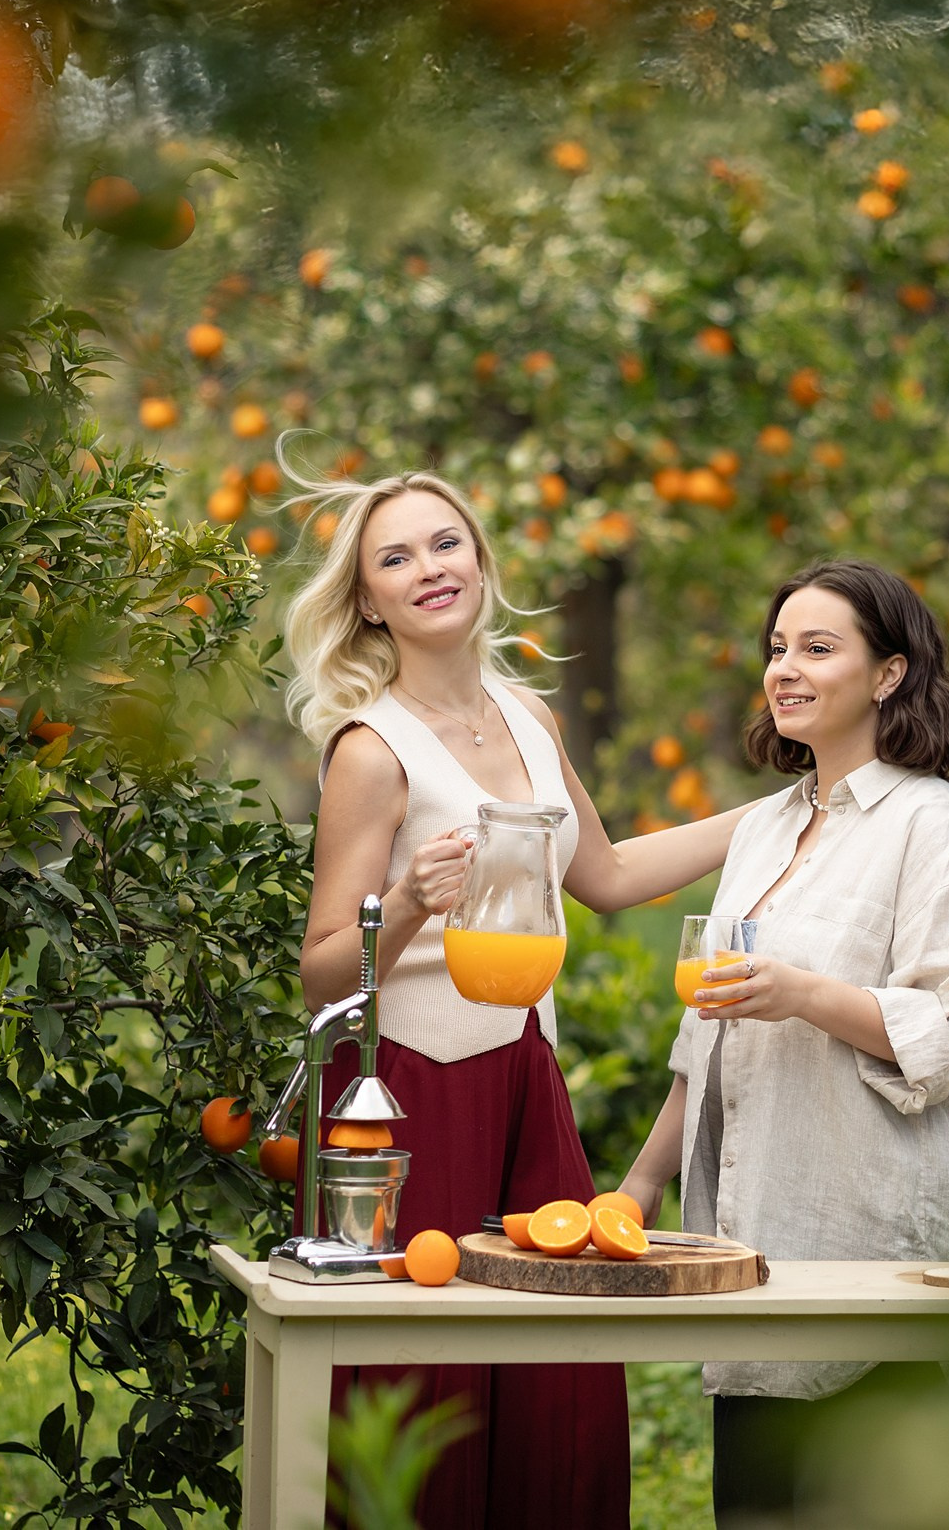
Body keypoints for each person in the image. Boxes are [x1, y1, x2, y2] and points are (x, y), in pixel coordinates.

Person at [287, 468, 756, 1530]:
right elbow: (321, 970)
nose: (427, 569)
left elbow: (609, 876)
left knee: (560, 1374)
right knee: (429, 1381)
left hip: (524, 1073)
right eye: (394, 558)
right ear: (368, 599)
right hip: (410, 1091)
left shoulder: (530, 715)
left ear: (481, 561)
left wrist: (774, 810)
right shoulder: (372, 748)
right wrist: (405, 898)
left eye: (444, 543)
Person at [617, 558, 949, 1524]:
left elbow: (944, 1031)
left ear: (887, 674)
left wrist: (805, 994)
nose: (784, 669)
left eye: (816, 647)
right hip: (757, 1224)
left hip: (875, 1228)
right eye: (775, 648)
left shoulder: (935, 831)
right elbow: (705, 1031)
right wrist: (639, 1183)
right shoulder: (767, 828)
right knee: (755, 1504)